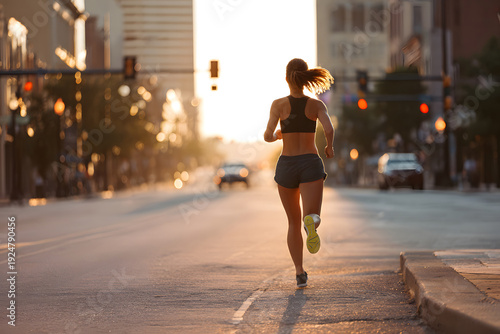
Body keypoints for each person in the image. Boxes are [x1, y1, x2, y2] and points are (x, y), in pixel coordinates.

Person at [264, 58, 335, 287]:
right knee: (311, 216)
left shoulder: (278, 105)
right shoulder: (316, 105)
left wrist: (277, 134)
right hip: (309, 163)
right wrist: (329, 147)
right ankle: (311, 223)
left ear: (286, 78)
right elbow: (329, 128)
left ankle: (299, 272)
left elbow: (266, 135)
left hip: (286, 165)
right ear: (306, 79)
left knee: (292, 222)